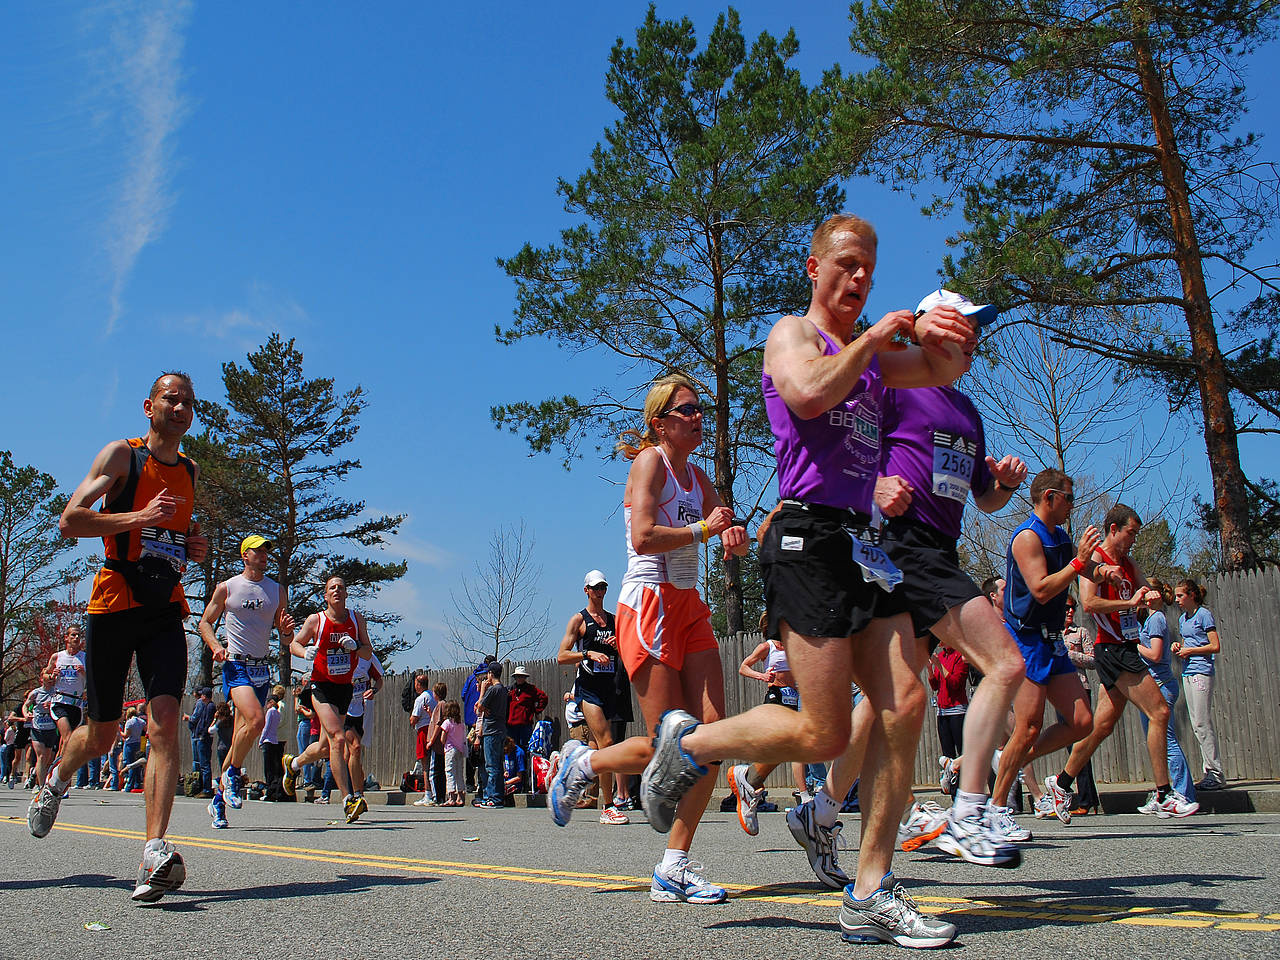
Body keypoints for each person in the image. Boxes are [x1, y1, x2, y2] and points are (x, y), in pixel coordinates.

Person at [627, 218, 982, 946]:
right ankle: (693, 747)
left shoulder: (877, 359)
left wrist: (949, 333)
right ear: (815, 265)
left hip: (863, 544)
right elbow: (813, 394)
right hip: (806, 538)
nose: (858, 281)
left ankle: (873, 889)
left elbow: (945, 372)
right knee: (821, 734)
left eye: (870, 273)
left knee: (905, 699)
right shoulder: (793, 334)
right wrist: (877, 338)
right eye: (847, 266)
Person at [547, 374, 749, 904]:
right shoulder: (650, 463)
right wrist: (706, 531)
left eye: (702, 408)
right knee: (672, 746)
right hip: (649, 605)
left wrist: (734, 535)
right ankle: (583, 762)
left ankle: (674, 865)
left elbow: (724, 534)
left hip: (689, 605)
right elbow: (642, 537)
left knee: (712, 738)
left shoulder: (699, 476)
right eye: (688, 410)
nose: (699, 416)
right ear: (661, 422)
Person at [30, 371, 209, 902]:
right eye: (170, 399)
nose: (179, 408)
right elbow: (70, 521)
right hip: (113, 605)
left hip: (163, 611)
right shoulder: (122, 458)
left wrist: (190, 545)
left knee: (164, 723)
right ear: (148, 407)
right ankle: (58, 780)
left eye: (187, 402)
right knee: (103, 734)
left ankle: (154, 849)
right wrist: (139, 516)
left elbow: (168, 535)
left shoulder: (192, 470)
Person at [1044, 504, 1198, 819]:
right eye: (1131, 533)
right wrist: (1130, 601)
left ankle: (1061, 784)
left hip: (1123, 646)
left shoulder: (1128, 562)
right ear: (1113, 530)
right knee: (1160, 711)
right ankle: (1164, 794)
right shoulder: (1098, 558)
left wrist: (1152, 598)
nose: (1133, 540)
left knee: (1101, 727)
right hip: (1114, 649)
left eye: (1137, 534)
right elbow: (1089, 602)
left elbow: (1146, 589)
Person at [989, 469, 1121, 835]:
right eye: (1069, 498)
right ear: (1049, 497)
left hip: (1051, 640)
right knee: (1028, 727)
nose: (1072, 505)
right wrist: (1080, 563)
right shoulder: (1027, 538)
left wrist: (1103, 573)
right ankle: (996, 809)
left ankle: (1013, 762)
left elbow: (1079, 568)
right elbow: (1043, 589)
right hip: (1026, 639)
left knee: (1081, 722)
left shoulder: (1061, 537)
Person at [197, 533, 293, 819]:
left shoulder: (277, 590)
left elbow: (286, 639)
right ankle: (234, 775)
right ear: (245, 555)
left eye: (266, 551)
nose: (263, 555)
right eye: (258, 550)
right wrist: (215, 646)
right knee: (257, 720)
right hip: (235, 665)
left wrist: (287, 630)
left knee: (243, 734)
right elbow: (205, 622)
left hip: (261, 668)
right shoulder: (228, 587)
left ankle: (218, 799)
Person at [283, 575, 374, 824]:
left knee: (325, 747)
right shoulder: (316, 620)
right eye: (332, 588)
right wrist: (305, 652)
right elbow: (294, 644)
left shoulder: (356, 620)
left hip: (344, 687)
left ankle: (293, 764)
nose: (337, 590)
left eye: (341, 587)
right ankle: (348, 800)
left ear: (346, 594)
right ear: (325, 595)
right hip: (320, 685)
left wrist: (355, 646)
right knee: (338, 738)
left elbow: (368, 651)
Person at [556, 570, 629, 825]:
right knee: (607, 742)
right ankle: (608, 806)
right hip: (589, 690)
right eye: (596, 588)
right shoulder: (579, 620)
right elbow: (562, 656)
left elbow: (630, 653)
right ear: (586, 590)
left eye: (604, 588)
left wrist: (619, 646)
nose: (600, 592)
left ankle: (573, 762)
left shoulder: (614, 620)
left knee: (603, 747)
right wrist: (588, 654)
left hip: (611, 688)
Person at [1137, 580, 1197, 806]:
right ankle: (1165, 794)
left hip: (1161, 686)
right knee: (1157, 742)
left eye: (1145, 589)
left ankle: (1183, 793)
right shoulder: (1150, 619)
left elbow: (1154, 654)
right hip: (1152, 687)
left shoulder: (1157, 619)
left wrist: (1134, 645)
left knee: (1166, 740)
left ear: (1156, 594)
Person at [1174, 578, 1225, 791]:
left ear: (1192, 595)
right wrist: (1180, 647)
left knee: (1203, 723)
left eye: (1180, 595)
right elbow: (1189, 643)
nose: (1177, 599)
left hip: (1201, 672)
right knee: (1196, 723)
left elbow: (1215, 645)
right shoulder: (1183, 619)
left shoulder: (1204, 615)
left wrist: (1191, 651)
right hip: (1187, 671)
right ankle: (1208, 771)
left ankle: (1216, 773)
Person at [1061, 597, 1101, 815]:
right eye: (1066, 608)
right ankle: (1086, 797)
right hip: (1060, 692)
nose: (1069, 611)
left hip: (1080, 688)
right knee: (1070, 746)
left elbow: (1093, 660)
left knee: (1081, 745)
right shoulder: (1055, 634)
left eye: (1072, 608)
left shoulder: (1081, 633)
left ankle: (1086, 801)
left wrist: (1070, 655)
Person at [344, 649, 384, 800]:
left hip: (360, 708)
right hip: (343, 709)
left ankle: (355, 792)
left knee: (353, 753)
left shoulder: (368, 657)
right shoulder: (341, 656)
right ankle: (356, 794)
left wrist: (373, 690)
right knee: (355, 748)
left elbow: (379, 680)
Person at [46, 625, 87, 761]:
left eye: (78, 635)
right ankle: (59, 775)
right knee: (68, 737)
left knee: (65, 743)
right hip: (59, 701)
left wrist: (84, 672)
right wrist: (52, 676)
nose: (76, 638)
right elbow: (45, 674)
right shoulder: (57, 657)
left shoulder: (84, 657)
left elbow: (95, 678)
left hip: (76, 704)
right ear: (66, 638)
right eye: (73, 635)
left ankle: (58, 774)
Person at [475, 662, 509, 808]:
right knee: (498, 765)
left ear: (490, 673)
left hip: (491, 730)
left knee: (491, 765)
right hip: (501, 728)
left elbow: (479, 707)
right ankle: (498, 796)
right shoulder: (503, 690)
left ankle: (493, 798)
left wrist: (483, 690)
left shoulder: (493, 690)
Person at [506, 666, 548, 778]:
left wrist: (536, 710)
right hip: (511, 726)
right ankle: (512, 776)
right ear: (515, 677)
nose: (520, 678)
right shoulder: (510, 690)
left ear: (525, 678)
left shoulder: (531, 689)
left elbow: (543, 698)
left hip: (525, 725)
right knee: (511, 750)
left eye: (522, 676)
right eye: (518, 676)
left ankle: (525, 779)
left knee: (525, 751)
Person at [24, 671, 61, 788]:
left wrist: (52, 705)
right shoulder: (36, 693)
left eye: (52, 679)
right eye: (48, 679)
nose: (51, 681)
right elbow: (26, 705)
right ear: (42, 680)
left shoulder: (57, 692)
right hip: (37, 728)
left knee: (47, 759)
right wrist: (26, 714)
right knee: (41, 756)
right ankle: (41, 787)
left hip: (51, 728)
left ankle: (34, 773)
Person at [409, 673, 437, 806]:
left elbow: (414, 719)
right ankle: (436, 792)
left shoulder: (420, 699)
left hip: (423, 730)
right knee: (434, 762)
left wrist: (412, 719)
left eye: (415, 683)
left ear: (419, 684)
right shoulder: (433, 696)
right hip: (433, 729)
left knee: (425, 764)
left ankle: (428, 794)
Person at [184, 687, 216, 795]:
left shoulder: (210, 706)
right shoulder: (206, 706)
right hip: (201, 736)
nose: (200, 696)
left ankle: (207, 788)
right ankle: (202, 786)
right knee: (202, 763)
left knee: (204, 764)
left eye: (202, 695)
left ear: (205, 696)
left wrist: (202, 734)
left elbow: (206, 722)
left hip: (204, 737)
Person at [440, 700, 468, 806]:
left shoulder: (447, 723)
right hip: (459, 750)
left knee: (450, 772)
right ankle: (460, 796)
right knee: (459, 773)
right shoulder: (461, 724)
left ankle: (451, 797)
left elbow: (443, 739)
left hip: (450, 749)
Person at [260, 687, 286, 798]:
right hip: (275, 739)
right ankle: (274, 790)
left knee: (269, 768)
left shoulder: (271, 711)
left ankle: (270, 789)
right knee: (274, 766)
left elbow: (267, 727)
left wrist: (261, 739)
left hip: (268, 740)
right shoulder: (277, 712)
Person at [122, 706, 147, 792]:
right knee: (137, 764)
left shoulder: (129, 722)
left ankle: (129, 786)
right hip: (138, 742)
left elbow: (126, 735)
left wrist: (120, 732)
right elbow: (146, 731)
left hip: (129, 744)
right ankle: (136, 784)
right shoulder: (142, 722)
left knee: (130, 763)